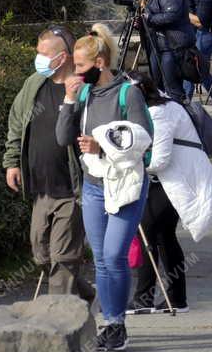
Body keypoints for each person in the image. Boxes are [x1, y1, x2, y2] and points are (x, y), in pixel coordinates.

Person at [56, 25, 153, 351]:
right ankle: (111, 323)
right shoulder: (83, 94)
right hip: (94, 186)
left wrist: (102, 146)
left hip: (125, 186)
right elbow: (62, 137)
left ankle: (117, 323)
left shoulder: (128, 93)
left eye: (80, 67)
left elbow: (142, 139)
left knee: (114, 255)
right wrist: (69, 100)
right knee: (100, 259)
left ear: (99, 62)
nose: (75, 72)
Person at [3, 26, 95, 303]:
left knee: (63, 258)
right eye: (38, 53)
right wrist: (11, 162)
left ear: (63, 57)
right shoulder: (34, 83)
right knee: (41, 254)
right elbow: (17, 121)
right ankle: (86, 294)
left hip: (71, 188)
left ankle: (61, 330)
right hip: (40, 187)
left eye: (45, 53)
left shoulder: (84, 88)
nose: (39, 58)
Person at [128, 72, 212, 315]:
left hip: (177, 181)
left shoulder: (159, 113)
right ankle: (176, 298)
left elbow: (160, 160)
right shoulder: (164, 106)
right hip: (172, 181)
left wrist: (129, 163)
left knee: (149, 231)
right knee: (163, 236)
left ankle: (145, 298)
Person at [131, 0, 196, 104]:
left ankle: (182, 114)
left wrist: (150, 19)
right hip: (159, 46)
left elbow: (172, 15)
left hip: (173, 45)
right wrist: (142, 23)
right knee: (157, 84)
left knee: (173, 87)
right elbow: (154, 17)